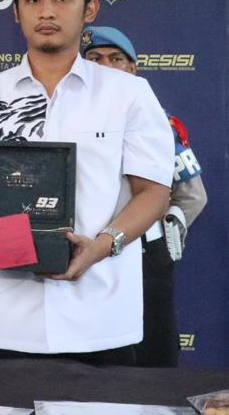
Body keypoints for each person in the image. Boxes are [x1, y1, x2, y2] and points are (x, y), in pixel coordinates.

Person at [0, 0, 174, 364]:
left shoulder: (129, 94)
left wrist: (102, 245)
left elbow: (153, 193)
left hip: (99, 323)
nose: (46, 11)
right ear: (16, 12)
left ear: (90, 9)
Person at [83, 25, 207, 367]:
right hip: (83, 249)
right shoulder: (63, 121)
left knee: (152, 354)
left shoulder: (157, 121)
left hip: (142, 252)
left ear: (132, 69)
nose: (104, 66)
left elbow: (193, 194)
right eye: (94, 59)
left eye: (115, 59)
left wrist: (165, 233)